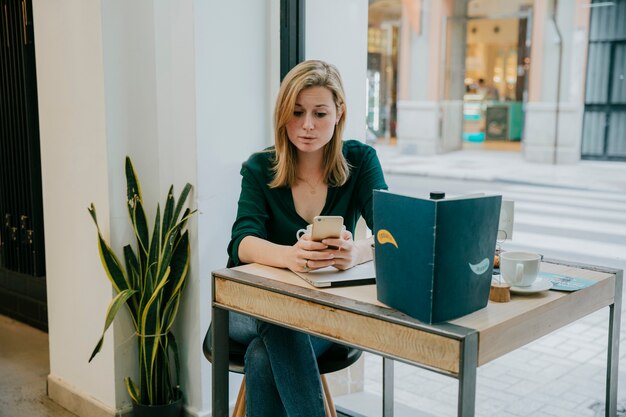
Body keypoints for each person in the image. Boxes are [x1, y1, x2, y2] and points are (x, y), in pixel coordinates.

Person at [226, 60, 388, 417]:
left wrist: (356, 251)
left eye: (320, 113)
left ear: (339, 112)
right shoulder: (259, 168)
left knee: (263, 356)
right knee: (278, 316)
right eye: (296, 113)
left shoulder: (360, 161)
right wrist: (290, 256)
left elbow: (392, 234)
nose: (307, 125)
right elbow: (242, 242)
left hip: (321, 311)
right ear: (283, 114)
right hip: (250, 307)